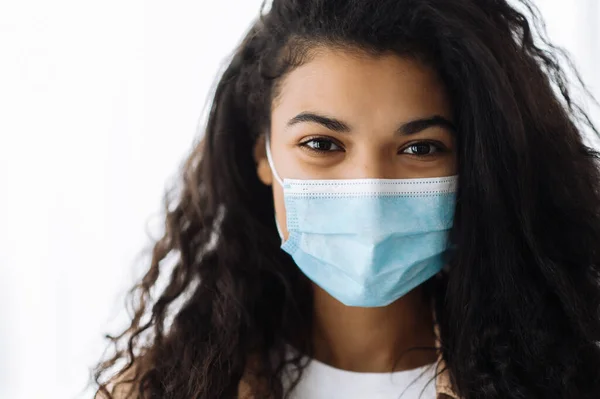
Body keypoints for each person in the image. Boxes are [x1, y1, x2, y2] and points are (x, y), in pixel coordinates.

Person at [92, 0, 600, 398]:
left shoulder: (572, 380)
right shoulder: (158, 390)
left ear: (477, 164)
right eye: (322, 144)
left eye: (420, 148)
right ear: (264, 156)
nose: (369, 188)